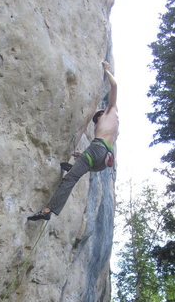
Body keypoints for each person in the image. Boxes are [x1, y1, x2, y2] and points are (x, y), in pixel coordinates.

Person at [28, 61, 119, 221]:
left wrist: (106, 71)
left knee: (70, 179)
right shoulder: (113, 122)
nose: (97, 121)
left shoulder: (110, 111)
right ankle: (75, 166)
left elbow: (115, 86)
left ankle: (48, 210)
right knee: (82, 164)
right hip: (103, 162)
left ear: (100, 114)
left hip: (97, 151)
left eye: (96, 118)